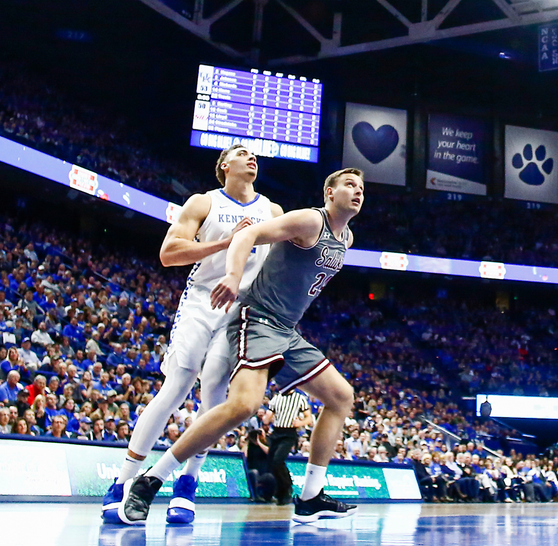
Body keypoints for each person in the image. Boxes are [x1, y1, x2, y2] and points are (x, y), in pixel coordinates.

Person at [118, 168, 365, 525]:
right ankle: (150, 480)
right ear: (329, 192)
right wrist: (233, 277)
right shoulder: (311, 220)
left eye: (361, 188)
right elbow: (248, 234)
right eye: (349, 185)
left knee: (341, 397)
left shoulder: (347, 238)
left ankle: (311, 497)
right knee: (244, 405)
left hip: (286, 329)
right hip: (258, 318)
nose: (357, 192)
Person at [103, 144, 280, 525]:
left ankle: (188, 482)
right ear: (224, 165)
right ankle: (123, 481)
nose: (251, 158)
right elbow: (169, 253)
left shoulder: (273, 211)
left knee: (214, 394)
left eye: (254, 155)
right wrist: (227, 242)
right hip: (203, 299)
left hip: (242, 309)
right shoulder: (204, 202)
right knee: (177, 384)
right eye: (242, 153)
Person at [268, 391, 311, 504]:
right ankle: (281, 490)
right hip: (276, 432)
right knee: (272, 462)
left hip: (289, 433)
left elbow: (309, 418)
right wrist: (268, 417)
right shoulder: (276, 398)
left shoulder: (299, 398)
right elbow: (267, 418)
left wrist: (300, 423)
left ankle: (287, 487)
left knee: (278, 460)